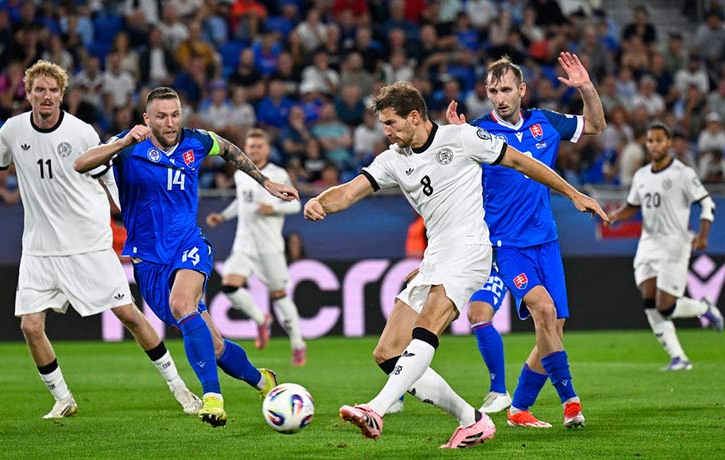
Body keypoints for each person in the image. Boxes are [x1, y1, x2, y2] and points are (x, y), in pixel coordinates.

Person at [303, 81, 607, 447]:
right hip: (436, 255)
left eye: (391, 123)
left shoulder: (461, 138)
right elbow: (350, 191)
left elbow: (521, 162)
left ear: (414, 116)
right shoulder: (393, 159)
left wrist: (574, 193)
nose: (386, 131)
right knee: (387, 352)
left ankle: (376, 409)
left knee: (428, 324)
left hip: (469, 250)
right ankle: (472, 419)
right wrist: (320, 200)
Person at [0, 61, 202, 419]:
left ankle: (180, 389)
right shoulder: (13, 130)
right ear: (28, 93)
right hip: (39, 248)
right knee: (30, 326)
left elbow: (107, 177)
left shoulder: (80, 132)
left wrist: (131, 214)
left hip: (87, 243)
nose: (46, 97)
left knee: (130, 315)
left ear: (62, 95)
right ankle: (63, 398)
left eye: (52, 91)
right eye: (39, 90)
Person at [74, 87, 299, 428]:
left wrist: (265, 181)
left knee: (182, 304)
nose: (170, 122)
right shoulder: (129, 146)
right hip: (148, 259)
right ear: (147, 119)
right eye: (161, 116)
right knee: (215, 345)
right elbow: (80, 164)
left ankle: (213, 397)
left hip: (189, 244)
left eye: (175, 114)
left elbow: (228, 149)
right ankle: (261, 381)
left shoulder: (195, 141)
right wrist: (121, 143)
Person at [446, 52, 607, 426]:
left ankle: (518, 407)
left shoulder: (545, 123)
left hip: (546, 240)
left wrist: (586, 87)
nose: (499, 97)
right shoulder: (480, 133)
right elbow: (449, 170)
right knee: (544, 311)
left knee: (553, 328)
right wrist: (455, 139)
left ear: (521, 90)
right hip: (507, 245)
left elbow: (596, 125)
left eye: (505, 89)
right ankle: (571, 402)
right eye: (492, 90)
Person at [607, 123, 722, 370]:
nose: (654, 145)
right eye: (650, 141)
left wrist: (703, 235)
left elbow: (707, 204)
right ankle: (679, 358)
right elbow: (632, 206)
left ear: (669, 143)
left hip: (675, 245)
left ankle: (704, 307)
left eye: (659, 140)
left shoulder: (683, 173)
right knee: (650, 301)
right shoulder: (641, 176)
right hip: (648, 246)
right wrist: (615, 216)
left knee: (665, 306)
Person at [205, 128, 307, 366]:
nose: (254, 150)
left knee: (280, 296)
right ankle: (261, 320)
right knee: (229, 286)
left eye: (258, 146)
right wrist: (222, 216)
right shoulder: (242, 173)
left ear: (267, 149)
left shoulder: (277, 173)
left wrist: (274, 209)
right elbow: (241, 203)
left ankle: (298, 343)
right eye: (250, 146)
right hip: (244, 243)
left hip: (269, 246)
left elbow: (295, 206)